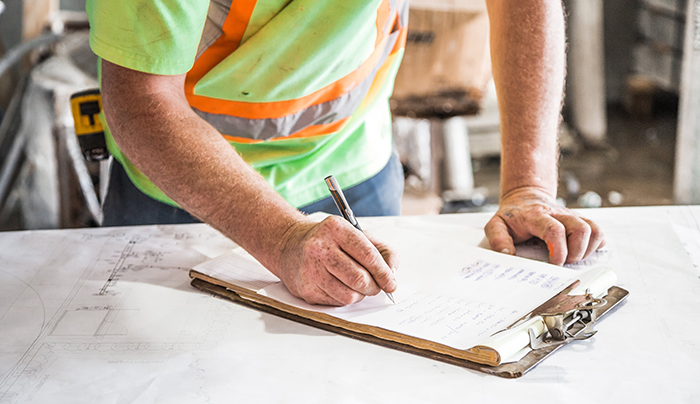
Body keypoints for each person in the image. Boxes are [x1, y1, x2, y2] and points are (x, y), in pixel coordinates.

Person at [86, 0, 605, 306]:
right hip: (187, 192)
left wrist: (528, 187)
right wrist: (281, 236)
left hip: (355, 165)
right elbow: (140, 99)